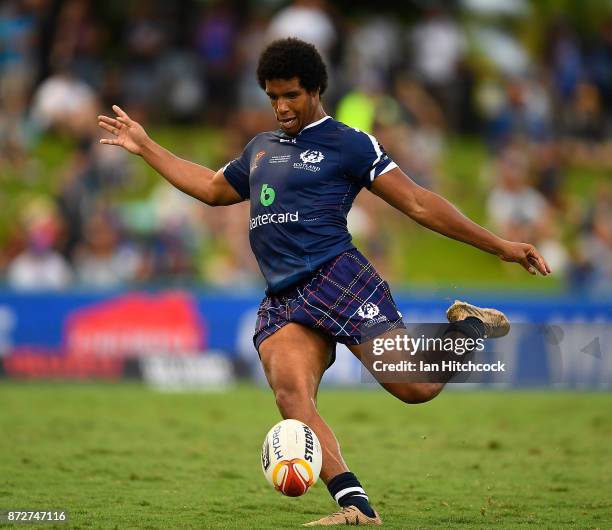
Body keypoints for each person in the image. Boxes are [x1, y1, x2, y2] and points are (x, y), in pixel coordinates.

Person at [97, 38, 550, 526]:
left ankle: (469, 329)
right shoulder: (261, 148)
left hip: (338, 278)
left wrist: (501, 245)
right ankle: (357, 508)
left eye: (290, 95)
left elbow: (419, 203)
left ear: (315, 90)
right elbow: (210, 188)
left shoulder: (350, 143)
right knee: (292, 396)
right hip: (283, 296)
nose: (281, 107)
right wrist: (144, 146)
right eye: (272, 97)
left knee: (416, 387)